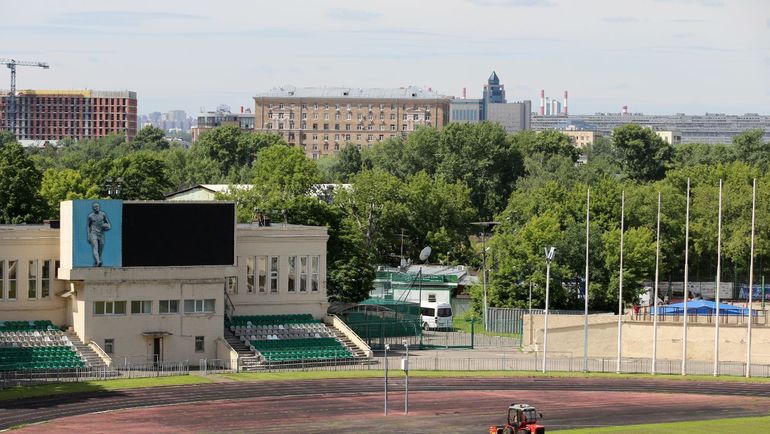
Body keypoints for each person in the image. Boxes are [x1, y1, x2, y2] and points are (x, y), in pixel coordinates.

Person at [87, 202, 111, 267]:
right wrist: (88, 236)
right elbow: (88, 226)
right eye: (95, 207)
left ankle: (97, 261)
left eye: (97, 206)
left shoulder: (103, 214)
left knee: (101, 248)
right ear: (93, 208)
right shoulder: (91, 216)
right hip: (93, 233)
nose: (96, 208)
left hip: (101, 234)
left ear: (99, 207)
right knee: (95, 247)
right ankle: (98, 261)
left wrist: (107, 227)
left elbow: (108, 223)